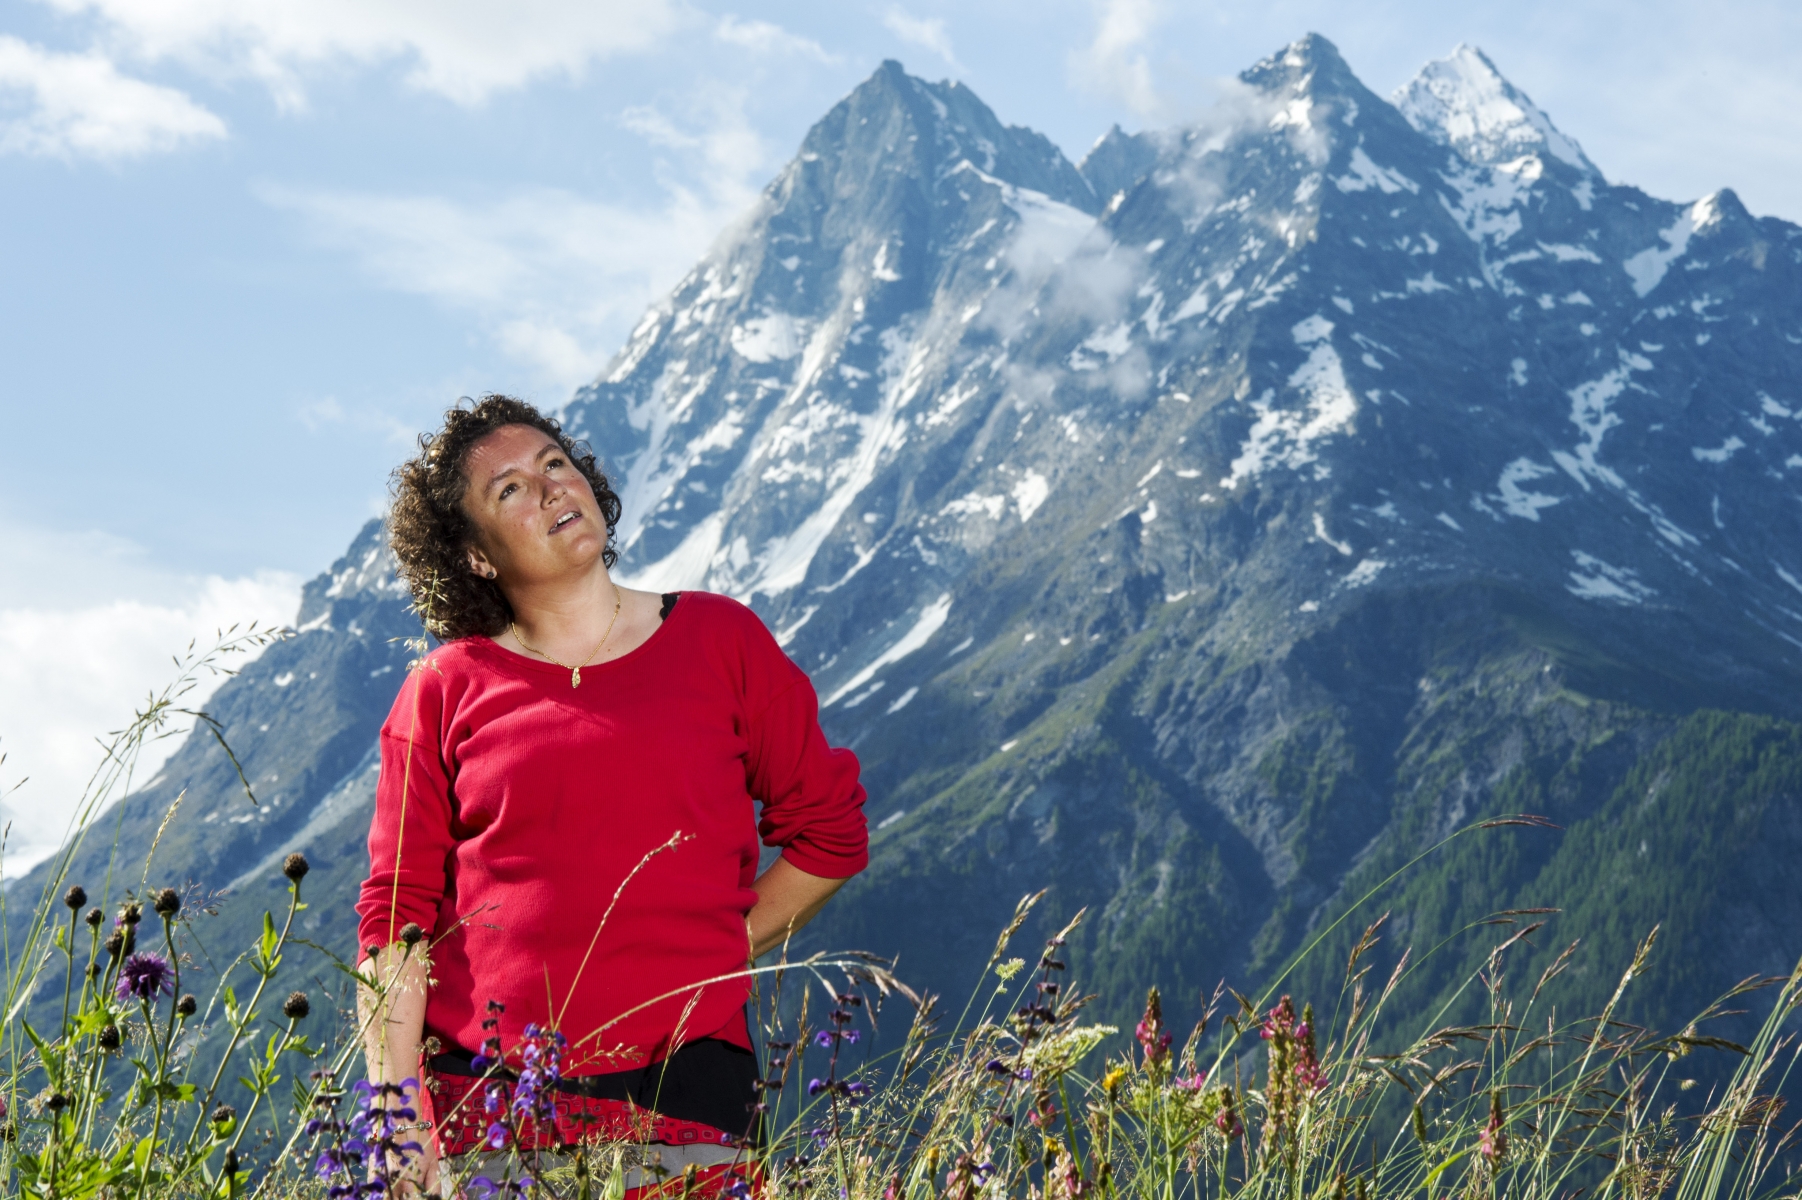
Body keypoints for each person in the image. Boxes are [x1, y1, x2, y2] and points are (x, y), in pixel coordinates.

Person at [356, 395, 868, 1197]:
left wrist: (711, 959)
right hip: (490, 1098)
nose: (551, 487)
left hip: (691, 1084)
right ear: (478, 557)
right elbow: (397, 920)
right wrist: (394, 1112)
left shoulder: (721, 640)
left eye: (555, 464)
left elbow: (831, 837)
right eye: (510, 490)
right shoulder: (443, 689)